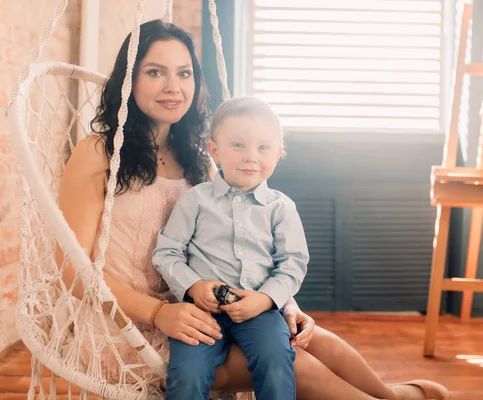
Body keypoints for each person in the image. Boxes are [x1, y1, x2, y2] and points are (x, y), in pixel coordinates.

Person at [58, 18, 450, 400]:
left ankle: (390, 394)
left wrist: (284, 302)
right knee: (291, 361)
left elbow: (235, 245)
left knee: (311, 338)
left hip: (204, 309)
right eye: (156, 72)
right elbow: (69, 269)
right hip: (128, 327)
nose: (173, 86)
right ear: (129, 79)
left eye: (184, 73)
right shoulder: (98, 153)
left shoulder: (198, 158)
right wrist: (159, 313)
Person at [153, 96, 309, 400]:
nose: (251, 157)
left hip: (259, 311)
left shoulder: (281, 208)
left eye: (263, 148)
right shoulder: (197, 200)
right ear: (215, 151)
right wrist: (194, 286)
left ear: (278, 154)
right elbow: (166, 251)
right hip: (202, 312)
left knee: (277, 362)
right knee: (186, 375)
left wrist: (265, 300)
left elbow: (293, 264)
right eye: (238, 145)